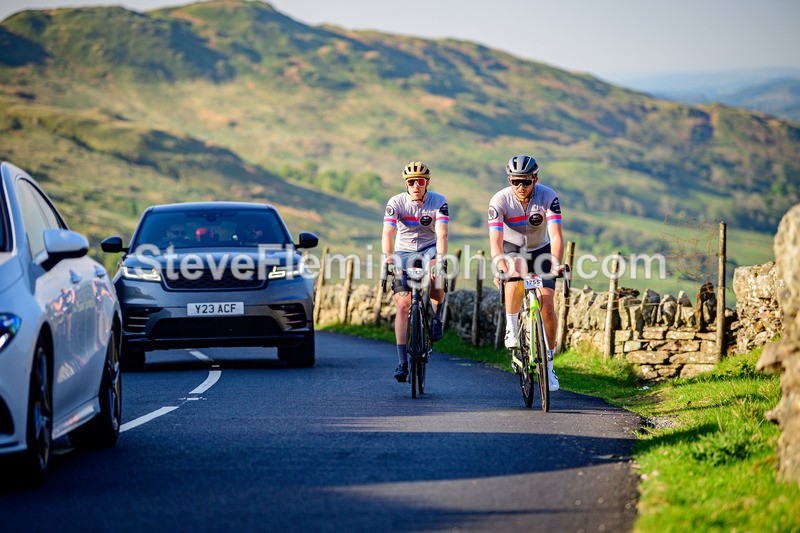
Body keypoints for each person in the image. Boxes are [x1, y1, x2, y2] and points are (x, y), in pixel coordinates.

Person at [488, 154, 564, 391]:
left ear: (535, 179)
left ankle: (549, 365)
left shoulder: (548, 196)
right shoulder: (499, 200)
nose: (521, 187)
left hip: (541, 249)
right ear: (509, 180)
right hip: (512, 249)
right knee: (516, 269)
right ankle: (512, 327)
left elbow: (557, 236)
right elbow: (496, 243)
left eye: (526, 181)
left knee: (548, 304)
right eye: (515, 181)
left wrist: (555, 263)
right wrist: (501, 266)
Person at [382, 161, 450, 382]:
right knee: (402, 305)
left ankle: (437, 316)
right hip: (403, 252)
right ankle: (402, 362)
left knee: (436, 275)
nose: (416, 186)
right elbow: (388, 233)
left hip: (429, 249)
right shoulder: (396, 202)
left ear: (427, 183)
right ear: (406, 184)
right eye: (411, 182)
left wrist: (439, 260)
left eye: (420, 182)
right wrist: (389, 260)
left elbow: (442, 234)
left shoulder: (438, 201)